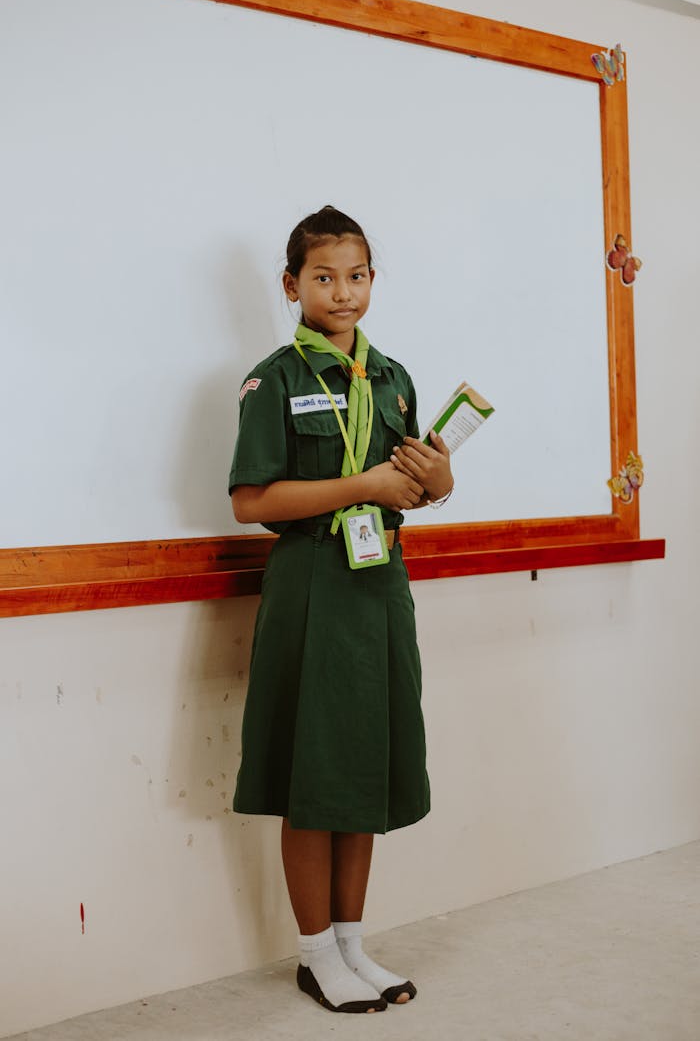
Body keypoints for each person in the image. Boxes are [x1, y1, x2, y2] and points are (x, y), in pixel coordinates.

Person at [229, 205, 453, 1015]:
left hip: (379, 584)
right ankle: (315, 953)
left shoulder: (392, 377)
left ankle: (354, 944)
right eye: (324, 276)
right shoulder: (275, 378)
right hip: (314, 580)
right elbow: (252, 500)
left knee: (365, 766)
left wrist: (437, 481)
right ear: (292, 284)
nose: (343, 291)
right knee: (312, 772)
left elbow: (415, 485)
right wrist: (363, 487)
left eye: (357, 275)